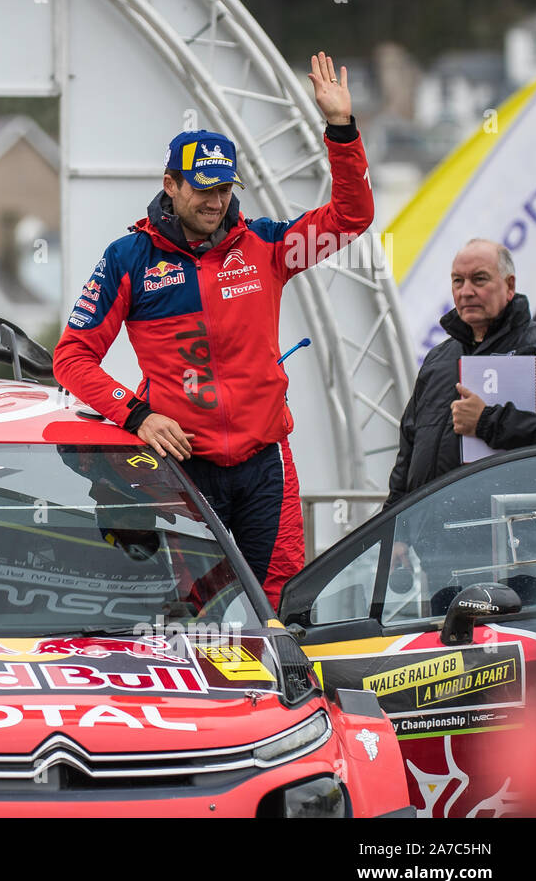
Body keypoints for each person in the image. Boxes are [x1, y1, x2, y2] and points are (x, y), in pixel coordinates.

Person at [53, 52, 373, 608]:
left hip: (264, 462)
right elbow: (72, 359)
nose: (217, 201)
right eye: (203, 188)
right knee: (189, 606)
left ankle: (272, 698)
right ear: (170, 185)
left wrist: (340, 129)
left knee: (276, 602)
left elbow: (351, 218)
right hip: (182, 467)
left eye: (225, 187)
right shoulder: (129, 257)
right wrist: (138, 415)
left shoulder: (267, 245)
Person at [386, 238, 536, 508]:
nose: (466, 291)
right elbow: (408, 448)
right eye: (458, 281)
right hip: (433, 536)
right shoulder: (438, 358)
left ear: (510, 286)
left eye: (479, 280)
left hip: (514, 535)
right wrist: (394, 527)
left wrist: (486, 422)